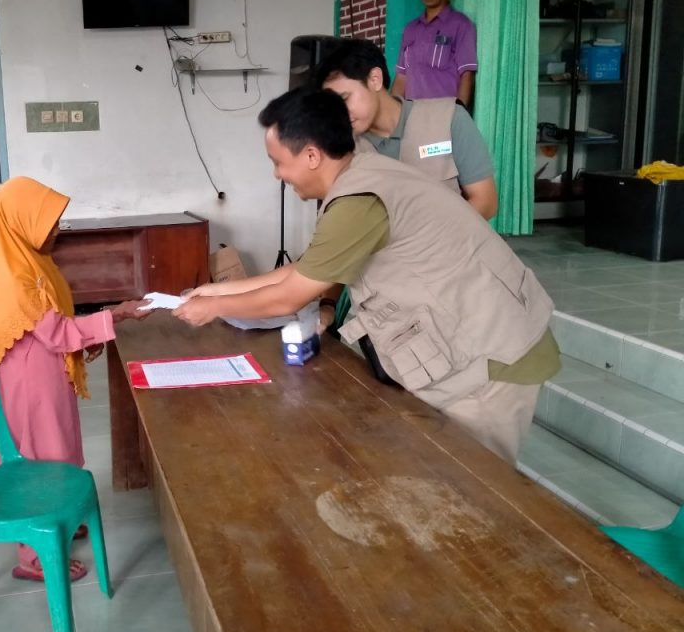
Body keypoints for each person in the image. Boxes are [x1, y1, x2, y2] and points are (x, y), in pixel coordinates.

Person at [172, 87, 560, 465]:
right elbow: (308, 269)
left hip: (491, 360)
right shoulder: (362, 174)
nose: (277, 175)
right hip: (476, 345)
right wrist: (215, 291)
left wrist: (215, 307)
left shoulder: (359, 199)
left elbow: (290, 295)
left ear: (311, 155)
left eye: (278, 162)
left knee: (474, 488)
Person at [0, 176, 148, 583]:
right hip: (29, 387)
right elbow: (57, 332)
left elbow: (56, 324)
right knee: (37, 460)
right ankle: (34, 554)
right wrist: (117, 315)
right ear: (20, 223)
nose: (56, 231)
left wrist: (90, 336)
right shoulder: (16, 279)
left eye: (56, 222)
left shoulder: (30, 262)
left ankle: (56, 517)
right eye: (48, 223)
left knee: (57, 449)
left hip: (42, 377)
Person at [315, 37, 497, 219]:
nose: (341, 112)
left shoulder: (448, 118)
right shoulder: (344, 153)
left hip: (454, 237)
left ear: (375, 79)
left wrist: (429, 235)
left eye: (345, 98)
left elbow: (486, 202)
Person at [392, 0, 477, 109]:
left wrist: (458, 116)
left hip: (443, 116)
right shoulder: (411, 29)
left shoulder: (461, 25)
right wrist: (393, 115)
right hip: (412, 116)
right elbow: (401, 78)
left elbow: (467, 76)